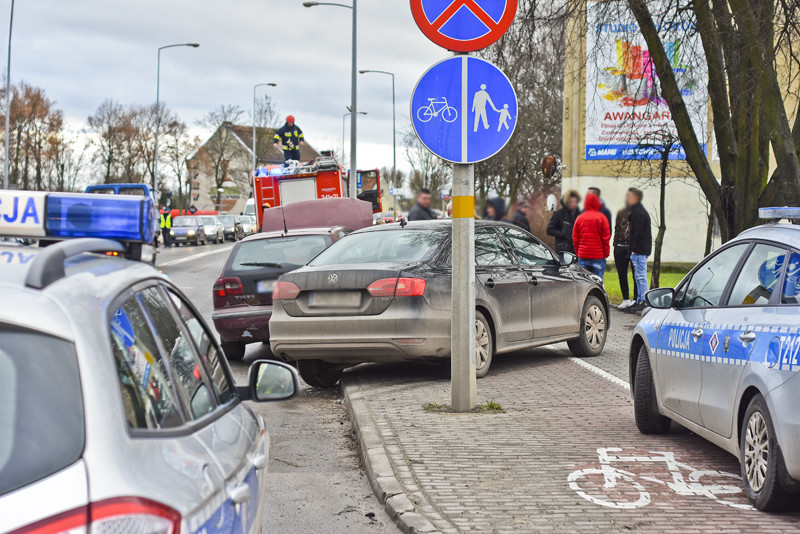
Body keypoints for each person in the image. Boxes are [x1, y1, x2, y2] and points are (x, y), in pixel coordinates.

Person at [572, 193, 610, 278]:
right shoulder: (602, 218)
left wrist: (578, 253)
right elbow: (606, 238)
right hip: (598, 256)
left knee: (584, 282)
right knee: (598, 282)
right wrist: (606, 254)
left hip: (583, 255)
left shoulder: (580, 218)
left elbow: (575, 238)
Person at [627, 187, 652, 312]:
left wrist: (634, 249)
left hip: (639, 250)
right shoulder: (638, 211)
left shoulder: (638, 213)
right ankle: (639, 299)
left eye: (629, 196)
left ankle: (643, 301)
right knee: (638, 276)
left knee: (641, 276)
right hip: (640, 250)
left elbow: (638, 233)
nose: (627, 199)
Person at [613, 205, 637, 309]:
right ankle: (626, 299)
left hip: (632, 248)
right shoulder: (621, 212)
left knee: (636, 275)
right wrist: (615, 245)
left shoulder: (637, 213)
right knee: (622, 274)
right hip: (620, 247)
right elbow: (617, 228)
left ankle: (636, 299)